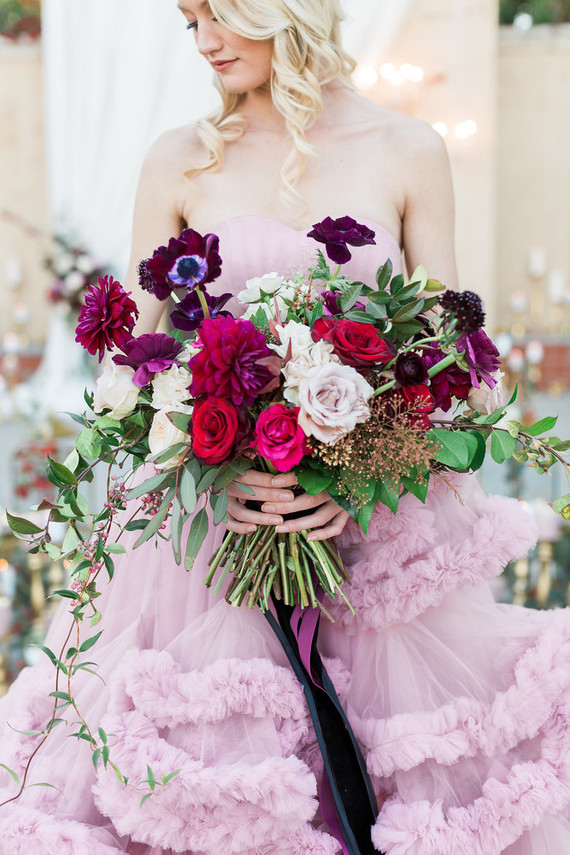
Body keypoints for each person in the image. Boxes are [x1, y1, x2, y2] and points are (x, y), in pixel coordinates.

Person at [1, 1, 570, 853]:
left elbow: (450, 370)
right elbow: (137, 367)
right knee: (213, 787)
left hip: (380, 545)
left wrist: (357, 481)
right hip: (208, 542)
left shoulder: (410, 150)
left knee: (412, 778)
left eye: (220, 15)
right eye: (190, 23)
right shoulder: (178, 159)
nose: (205, 42)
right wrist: (214, 459)